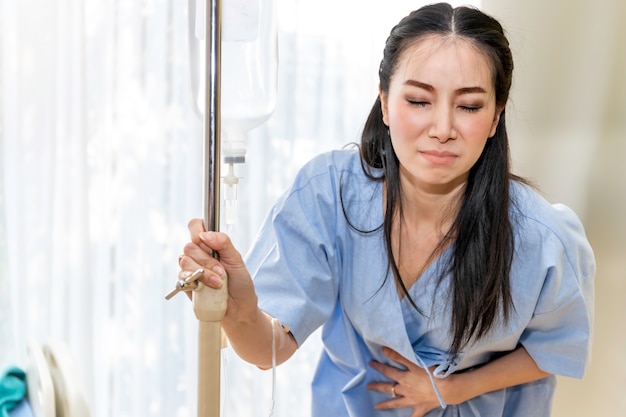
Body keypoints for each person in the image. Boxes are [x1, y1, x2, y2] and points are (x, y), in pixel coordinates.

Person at [178, 3, 595, 416]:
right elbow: (267, 350)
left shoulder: (540, 238)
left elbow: (555, 347)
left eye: (468, 106)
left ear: (495, 116)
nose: (443, 129)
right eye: (418, 100)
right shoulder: (331, 197)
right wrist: (240, 310)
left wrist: (449, 389)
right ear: (385, 102)